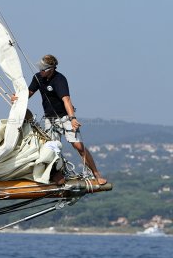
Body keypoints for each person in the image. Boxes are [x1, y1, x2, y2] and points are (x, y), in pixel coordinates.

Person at [12, 54, 107, 185]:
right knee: (51, 149)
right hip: (49, 119)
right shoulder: (38, 78)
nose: (41, 71)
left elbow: (66, 100)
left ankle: (96, 174)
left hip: (65, 117)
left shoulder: (59, 79)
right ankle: (58, 175)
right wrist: (18, 98)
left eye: (43, 69)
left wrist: (73, 119)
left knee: (79, 146)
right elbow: (29, 93)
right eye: (40, 69)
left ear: (51, 69)